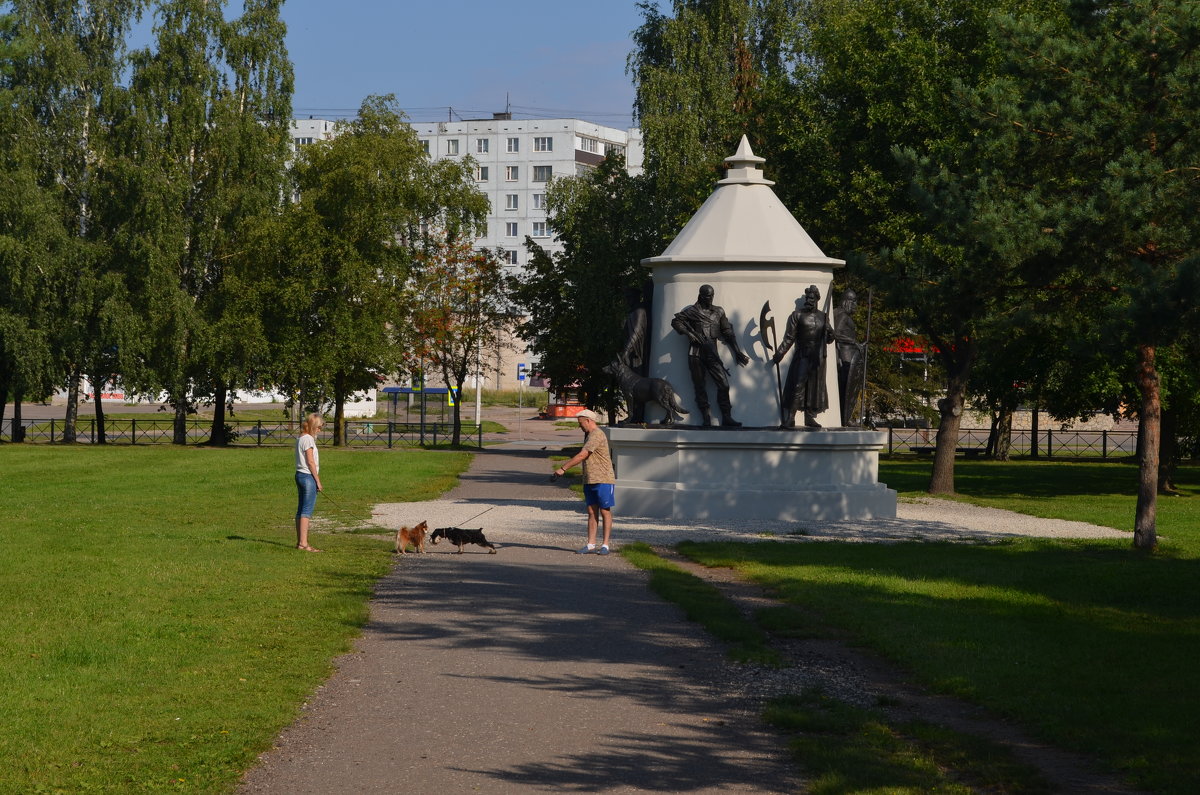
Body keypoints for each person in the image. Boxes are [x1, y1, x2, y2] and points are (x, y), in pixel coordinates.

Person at [671, 284, 750, 427]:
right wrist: (689, 334)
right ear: (701, 296)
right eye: (708, 296)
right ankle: (706, 417)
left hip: (712, 354)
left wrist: (737, 351)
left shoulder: (719, 312)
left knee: (724, 385)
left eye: (712, 296)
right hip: (695, 354)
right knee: (700, 386)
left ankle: (726, 417)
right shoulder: (691, 311)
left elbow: (728, 333)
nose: (711, 299)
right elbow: (676, 321)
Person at [552, 409, 615, 555]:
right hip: (590, 478)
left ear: (588, 420)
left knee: (605, 511)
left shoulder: (597, 435)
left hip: (603, 478)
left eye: (581, 423)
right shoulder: (589, 435)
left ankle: (605, 545)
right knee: (591, 512)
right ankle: (591, 544)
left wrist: (563, 469)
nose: (580, 426)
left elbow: (583, 454)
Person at [770, 285, 834, 428]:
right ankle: (790, 418)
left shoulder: (823, 317)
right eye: (807, 298)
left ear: (817, 299)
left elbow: (829, 340)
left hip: (818, 357)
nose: (809, 300)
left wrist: (830, 332)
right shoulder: (797, 315)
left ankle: (809, 417)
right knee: (797, 385)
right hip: (803, 354)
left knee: (814, 386)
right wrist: (780, 353)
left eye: (812, 298)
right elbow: (789, 337)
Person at [833, 290, 867, 426]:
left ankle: (844, 418)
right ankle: (844, 418)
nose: (855, 304)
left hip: (848, 354)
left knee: (846, 388)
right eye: (853, 301)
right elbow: (836, 333)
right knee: (846, 388)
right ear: (847, 301)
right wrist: (854, 342)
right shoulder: (842, 316)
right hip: (846, 355)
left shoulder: (840, 314)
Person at [295, 412, 324, 552]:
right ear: (313, 426)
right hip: (307, 476)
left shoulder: (301, 438)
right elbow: (310, 461)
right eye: (319, 427)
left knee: (301, 509)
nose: (320, 430)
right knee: (306, 511)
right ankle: (303, 543)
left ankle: (300, 541)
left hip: (300, 475)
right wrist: (317, 481)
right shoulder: (308, 439)